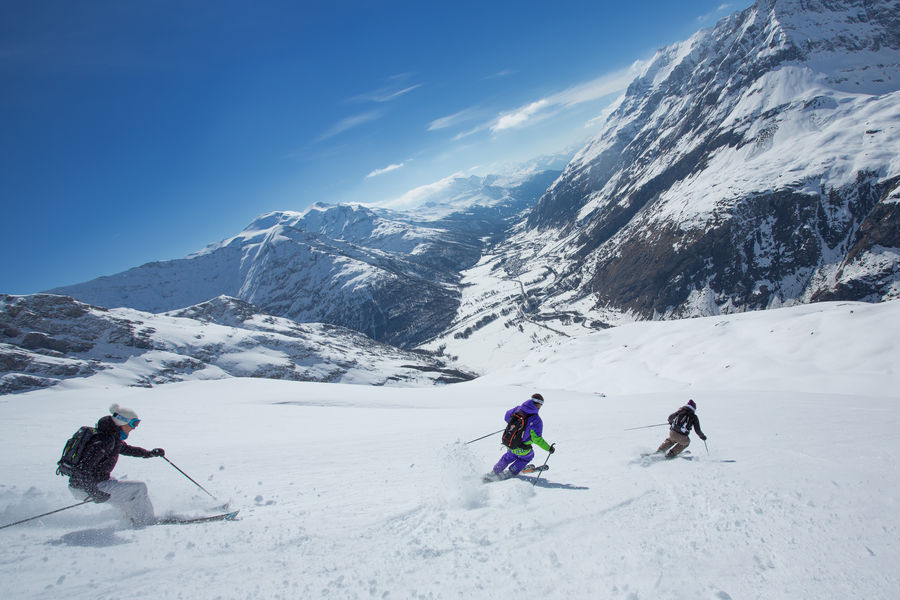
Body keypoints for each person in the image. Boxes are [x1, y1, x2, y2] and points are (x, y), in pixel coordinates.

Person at [67, 404, 165, 527]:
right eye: (134, 424)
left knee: (125, 489)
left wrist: (149, 453)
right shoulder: (104, 441)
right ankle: (146, 522)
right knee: (139, 488)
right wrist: (93, 492)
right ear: (122, 421)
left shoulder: (109, 437)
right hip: (89, 487)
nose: (134, 428)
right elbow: (83, 469)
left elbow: (126, 449)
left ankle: (132, 518)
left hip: (86, 485)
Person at [490, 393, 555, 479]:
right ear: (539, 405)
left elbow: (507, 416)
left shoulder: (518, 409)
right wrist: (548, 448)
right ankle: (512, 471)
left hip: (510, 442)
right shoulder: (536, 420)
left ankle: (495, 471)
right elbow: (537, 439)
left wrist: (515, 427)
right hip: (522, 448)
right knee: (528, 456)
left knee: (509, 456)